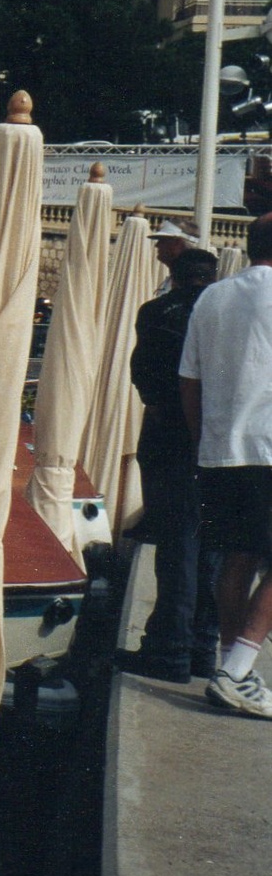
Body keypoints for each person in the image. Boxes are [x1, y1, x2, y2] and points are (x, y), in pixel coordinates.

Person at [179, 212, 272, 718]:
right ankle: (236, 669)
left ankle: (231, 667)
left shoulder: (211, 297)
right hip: (267, 445)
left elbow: (188, 380)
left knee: (235, 558)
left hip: (219, 449)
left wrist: (203, 442)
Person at [113, 247, 219, 683]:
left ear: (172, 275)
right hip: (217, 440)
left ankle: (169, 649)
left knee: (176, 546)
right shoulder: (222, 312)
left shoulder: (158, 311)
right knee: (211, 549)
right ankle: (202, 647)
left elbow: (147, 375)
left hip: (169, 437)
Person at [148, 218, 200, 294]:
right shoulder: (176, 278)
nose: (157, 245)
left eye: (162, 240)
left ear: (178, 243)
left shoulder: (190, 281)